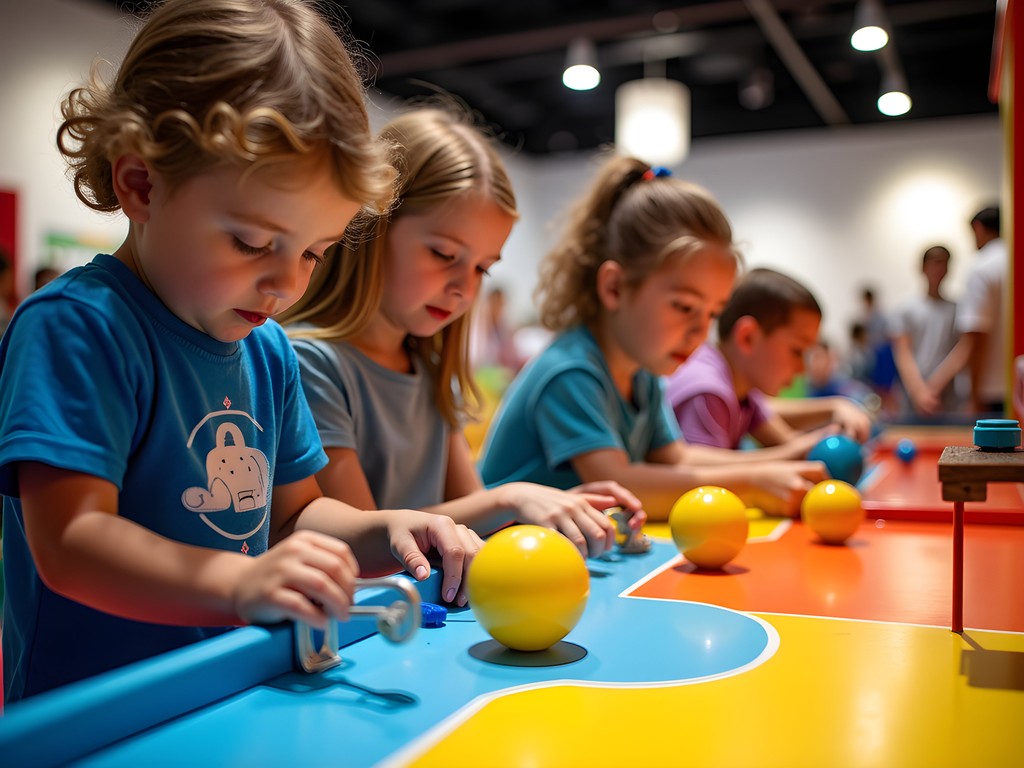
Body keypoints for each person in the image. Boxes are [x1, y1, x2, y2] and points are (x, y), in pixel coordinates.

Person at [0, 0, 481, 705]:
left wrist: (391, 529)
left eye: (314, 252)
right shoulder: (76, 328)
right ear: (141, 184)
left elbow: (294, 515)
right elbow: (72, 543)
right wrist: (240, 583)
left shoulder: (269, 351)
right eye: (254, 243)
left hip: (228, 690)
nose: (287, 283)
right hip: (96, 715)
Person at [280, 108, 643, 559]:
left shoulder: (429, 369)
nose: (464, 287)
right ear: (373, 226)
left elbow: (469, 509)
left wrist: (552, 503)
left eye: (481, 268)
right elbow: (365, 540)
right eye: (443, 253)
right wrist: (509, 498)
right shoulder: (308, 362)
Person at [478, 156, 826, 520]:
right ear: (614, 287)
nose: (699, 332)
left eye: (711, 313)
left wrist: (787, 457)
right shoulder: (571, 371)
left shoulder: (643, 375)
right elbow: (619, 483)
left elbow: (679, 458)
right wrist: (751, 483)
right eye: (684, 307)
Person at [665, 267, 872, 452]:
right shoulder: (707, 390)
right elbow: (706, 482)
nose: (802, 370)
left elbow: (786, 443)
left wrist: (830, 434)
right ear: (748, 338)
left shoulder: (744, 392)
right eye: (797, 351)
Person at [928, 206, 1007, 414]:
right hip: (1016, 385)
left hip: (991, 390)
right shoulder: (1015, 260)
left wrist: (973, 397)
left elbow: (975, 339)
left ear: (977, 228)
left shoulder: (982, 267)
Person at [888, 245, 961, 417]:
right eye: (934, 263)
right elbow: (902, 352)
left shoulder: (958, 309)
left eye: (943, 263)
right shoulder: (904, 309)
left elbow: (961, 351)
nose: (938, 269)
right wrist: (919, 392)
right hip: (911, 395)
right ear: (923, 268)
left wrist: (934, 388)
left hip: (946, 396)